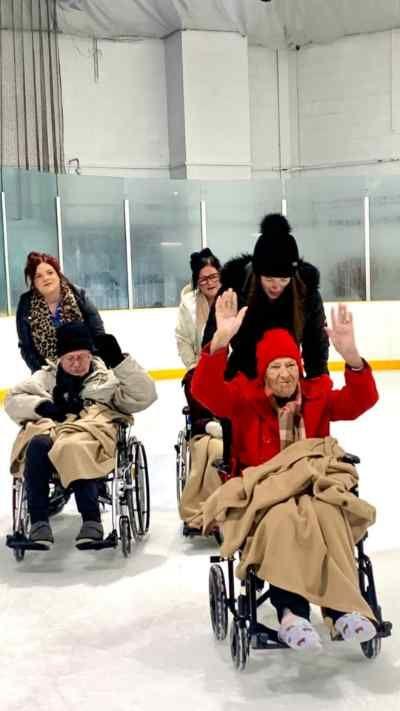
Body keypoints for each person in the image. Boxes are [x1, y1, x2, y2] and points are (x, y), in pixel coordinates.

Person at [192, 292, 379, 651]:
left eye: (291, 365)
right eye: (276, 367)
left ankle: (343, 611)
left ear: (300, 367)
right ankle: (291, 614)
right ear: (264, 372)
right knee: (282, 521)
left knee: (328, 515)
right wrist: (219, 343)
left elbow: (360, 401)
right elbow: (204, 390)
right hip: (267, 494)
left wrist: (351, 356)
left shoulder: (317, 396)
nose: (285, 374)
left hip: (314, 486)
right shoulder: (244, 401)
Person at [5, 322, 157, 549]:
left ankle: (91, 521)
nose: (76, 364)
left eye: (81, 357)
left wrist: (120, 363)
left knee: (73, 446)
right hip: (52, 428)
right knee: (36, 445)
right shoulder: (46, 378)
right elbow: (13, 399)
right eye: (70, 359)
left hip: (91, 431)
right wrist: (43, 406)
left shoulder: (106, 379)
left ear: (90, 355)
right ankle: (38, 523)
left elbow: (145, 395)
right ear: (60, 359)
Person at [202, 213, 329, 380]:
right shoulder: (234, 290)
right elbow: (212, 342)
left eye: (284, 279)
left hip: (286, 379)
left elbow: (316, 350)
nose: (276, 285)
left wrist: (318, 390)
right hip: (243, 376)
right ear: (257, 273)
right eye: (269, 278)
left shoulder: (306, 293)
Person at [16, 251, 105, 373]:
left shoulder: (78, 295)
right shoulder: (26, 303)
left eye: (50, 272)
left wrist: (91, 366)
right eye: (38, 276)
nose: (46, 278)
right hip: (47, 371)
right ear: (34, 282)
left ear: (58, 274)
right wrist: (42, 371)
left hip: (85, 367)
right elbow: (26, 347)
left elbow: (98, 334)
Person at [175, 247, 222, 435]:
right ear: (197, 281)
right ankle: (205, 425)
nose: (210, 283)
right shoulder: (189, 305)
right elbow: (183, 339)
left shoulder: (233, 297)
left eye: (213, 276)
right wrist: (194, 366)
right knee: (193, 380)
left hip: (230, 363)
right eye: (204, 279)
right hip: (201, 363)